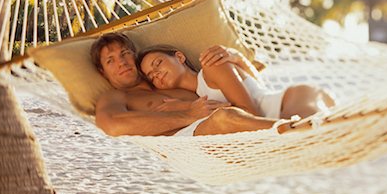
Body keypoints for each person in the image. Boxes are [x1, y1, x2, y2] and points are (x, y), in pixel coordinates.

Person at [91, 32, 292, 137]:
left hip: (242, 121)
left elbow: (253, 88)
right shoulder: (116, 97)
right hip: (193, 139)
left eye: (125, 54)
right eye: (111, 60)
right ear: (102, 72)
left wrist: (237, 58)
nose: (122, 63)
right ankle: (289, 130)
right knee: (224, 117)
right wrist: (187, 115)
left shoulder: (166, 82)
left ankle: (298, 128)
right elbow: (112, 125)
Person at [138, 45, 334, 121]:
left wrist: (186, 107)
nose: (156, 73)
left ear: (179, 57)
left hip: (293, 101)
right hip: (283, 115)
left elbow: (252, 114)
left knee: (324, 136)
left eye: (157, 64)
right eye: (151, 76)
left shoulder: (211, 68)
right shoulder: (200, 96)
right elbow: (258, 86)